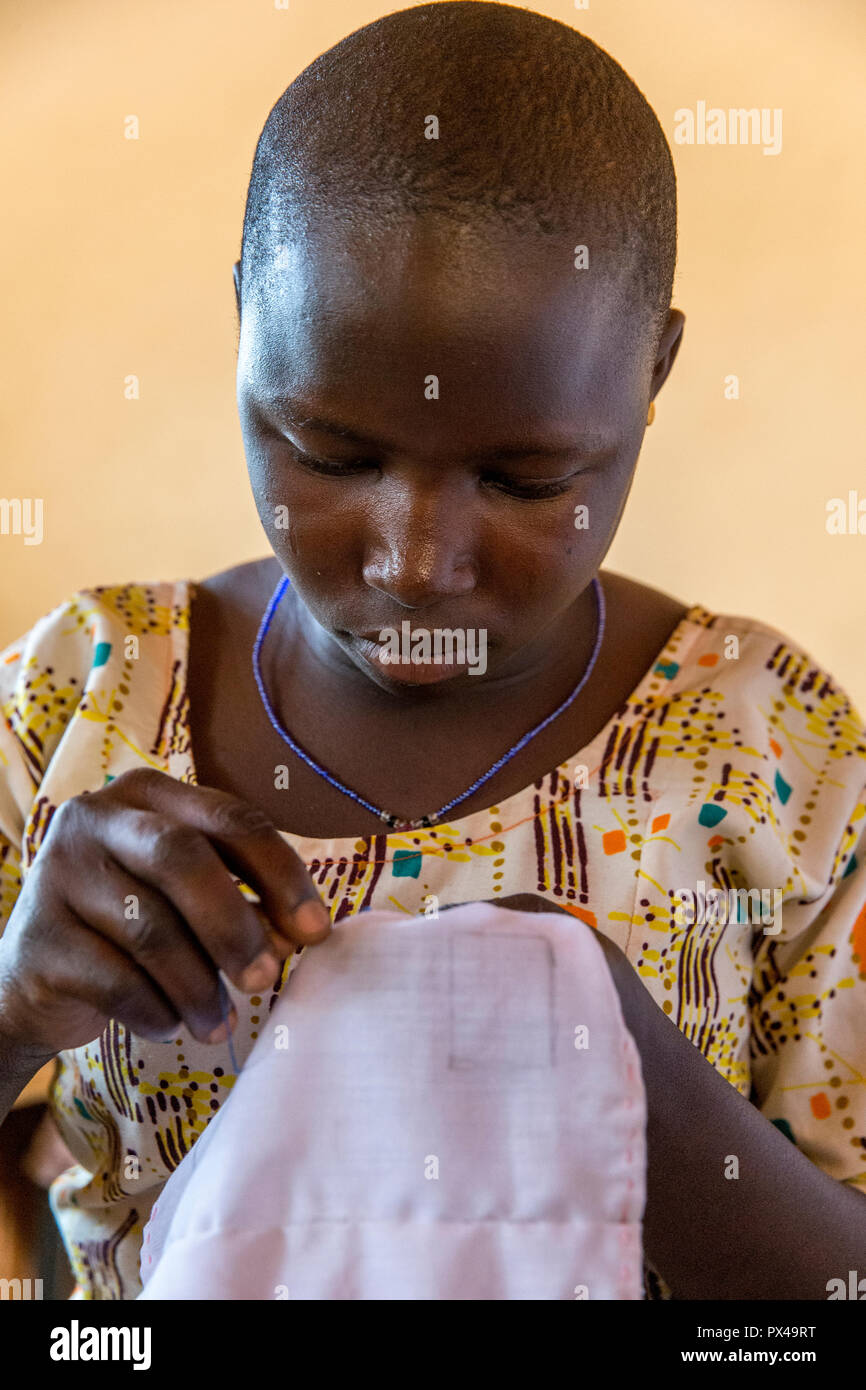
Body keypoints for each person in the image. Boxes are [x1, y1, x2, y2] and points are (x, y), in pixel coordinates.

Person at [1, 1, 865, 1301]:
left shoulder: (773, 748)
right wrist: (15, 1002)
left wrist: (636, 1075)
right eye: (331, 453)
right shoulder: (80, 697)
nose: (412, 558)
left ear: (652, 373)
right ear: (242, 325)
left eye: (522, 477)